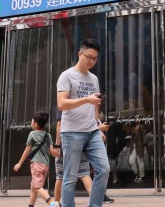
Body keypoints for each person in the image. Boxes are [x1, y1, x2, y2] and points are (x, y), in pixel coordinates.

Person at [56, 38, 109, 207]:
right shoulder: (66, 75)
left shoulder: (94, 79)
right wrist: (86, 99)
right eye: (89, 57)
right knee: (70, 177)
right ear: (80, 54)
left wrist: (98, 126)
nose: (92, 61)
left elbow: (94, 106)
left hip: (92, 131)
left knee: (104, 169)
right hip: (72, 132)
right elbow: (62, 104)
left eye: (95, 59)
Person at [13, 111, 60, 207]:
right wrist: (57, 154)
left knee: (37, 187)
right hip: (45, 165)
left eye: (31, 121)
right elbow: (52, 152)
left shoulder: (32, 134)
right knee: (34, 188)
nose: (31, 123)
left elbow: (27, 150)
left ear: (35, 124)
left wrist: (19, 163)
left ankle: (52, 203)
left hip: (36, 165)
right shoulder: (48, 136)